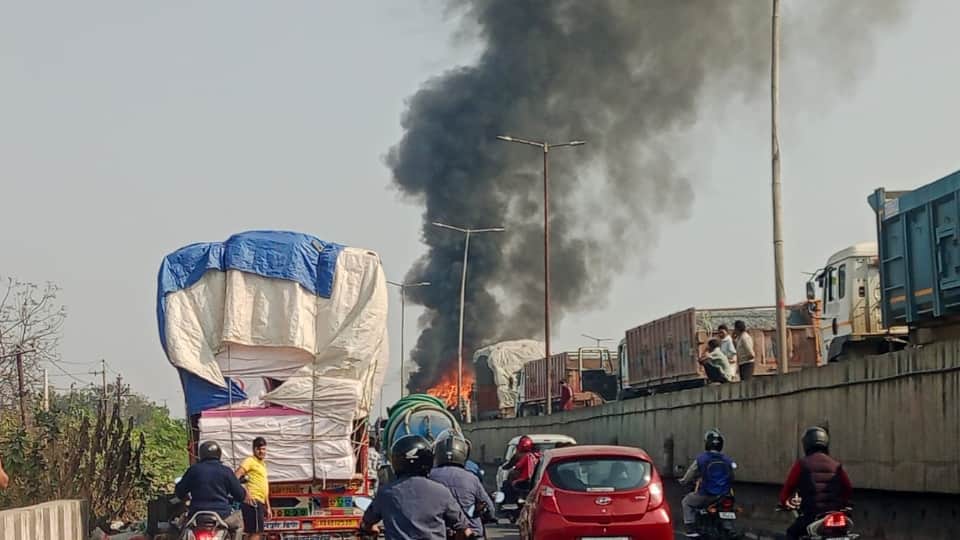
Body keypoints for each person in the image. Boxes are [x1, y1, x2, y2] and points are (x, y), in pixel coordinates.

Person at [361, 434, 473, 540]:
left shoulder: (385, 493)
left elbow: (367, 523)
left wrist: (373, 530)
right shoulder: (441, 491)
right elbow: (465, 530)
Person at [780, 427, 853, 540]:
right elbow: (848, 488)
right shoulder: (836, 465)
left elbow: (787, 490)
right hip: (836, 516)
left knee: (791, 533)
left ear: (806, 444)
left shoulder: (802, 464)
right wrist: (843, 503)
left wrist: (785, 502)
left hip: (813, 516)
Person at [175, 441, 247, 540]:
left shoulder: (193, 470)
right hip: (223, 517)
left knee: (180, 526)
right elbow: (240, 495)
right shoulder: (226, 471)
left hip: (196, 516)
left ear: (201, 454)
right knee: (239, 524)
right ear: (219, 454)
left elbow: (179, 492)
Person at [429, 430, 496, 537]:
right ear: (463, 452)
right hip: (470, 533)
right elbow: (489, 508)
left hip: (440, 533)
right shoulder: (471, 478)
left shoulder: (428, 477)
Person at [679, 430, 737, 538]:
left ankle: (690, 529)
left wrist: (683, 481)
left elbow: (690, 473)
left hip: (706, 495)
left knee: (686, 502)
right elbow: (733, 474)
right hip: (724, 495)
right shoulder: (727, 459)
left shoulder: (702, 458)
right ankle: (728, 527)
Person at [235, 437, 271, 539]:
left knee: (254, 532)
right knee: (256, 533)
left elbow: (264, 487)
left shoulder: (262, 465)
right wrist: (246, 493)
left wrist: (268, 507)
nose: (261, 451)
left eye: (263, 449)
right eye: (259, 449)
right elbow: (236, 477)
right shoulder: (249, 461)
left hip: (259, 501)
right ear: (253, 449)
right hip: (252, 501)